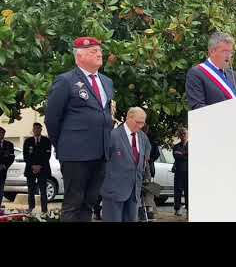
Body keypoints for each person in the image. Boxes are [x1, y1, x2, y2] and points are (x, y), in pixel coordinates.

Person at [45, 37, 115, 222]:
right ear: (79, 56)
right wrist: (64, 145)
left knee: (89, 202)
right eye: (93, 51)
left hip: (100, 153)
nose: (100, 54)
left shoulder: (107, 82)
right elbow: (52, 119)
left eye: (100, 51)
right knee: (73, 203)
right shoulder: (66, 81)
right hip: (75, 154)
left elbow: (106, 114)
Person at [101, 107, 150, 222]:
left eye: (143, 123)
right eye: (138, 122)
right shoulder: (113, 136)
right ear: (129, 119)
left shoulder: (143, 138)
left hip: (134, 194)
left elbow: (144, 159)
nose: (141, 126)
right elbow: (101, 162)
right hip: (113, 193)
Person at [186, 32, 236, 110]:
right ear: (212, 51)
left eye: (231, 52)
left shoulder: (235, 76)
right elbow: (197, 107)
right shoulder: (197, 73)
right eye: (225, 51)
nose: (229, 56)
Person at [23, 123, 52, 214]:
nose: (36, 130)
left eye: (38, 128)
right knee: (30, 190)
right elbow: (25, 155)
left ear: (41, 129)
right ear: (33, 129)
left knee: (43, 190)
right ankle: (31, 208)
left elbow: (47, 155)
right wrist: (33, 166)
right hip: (30, 169)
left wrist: (39, 166)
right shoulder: (28, 141)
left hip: (43, 169)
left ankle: (44, 210)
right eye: (35, 128)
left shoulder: (46, 141)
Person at [173, 128, 188, 216]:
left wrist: (182, 154)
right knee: (178, 191)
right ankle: (177, 208)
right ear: (179, 136)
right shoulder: (176, 146)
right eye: (181, 134)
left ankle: (188, 209)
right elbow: (177, 156)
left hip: (189, 173)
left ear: (187, 135)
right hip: (179, 172)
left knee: (188, 191)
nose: (183, 136)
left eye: (184, 134)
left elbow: (180, 155)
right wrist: (186, 154)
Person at [0, 126, 15, 208]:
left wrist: (5, 166)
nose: (0, 134)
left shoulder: (9, 144)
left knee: (1, 190)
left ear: (4, 134)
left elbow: (11, 157)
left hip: (2, 171)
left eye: (2, 133)